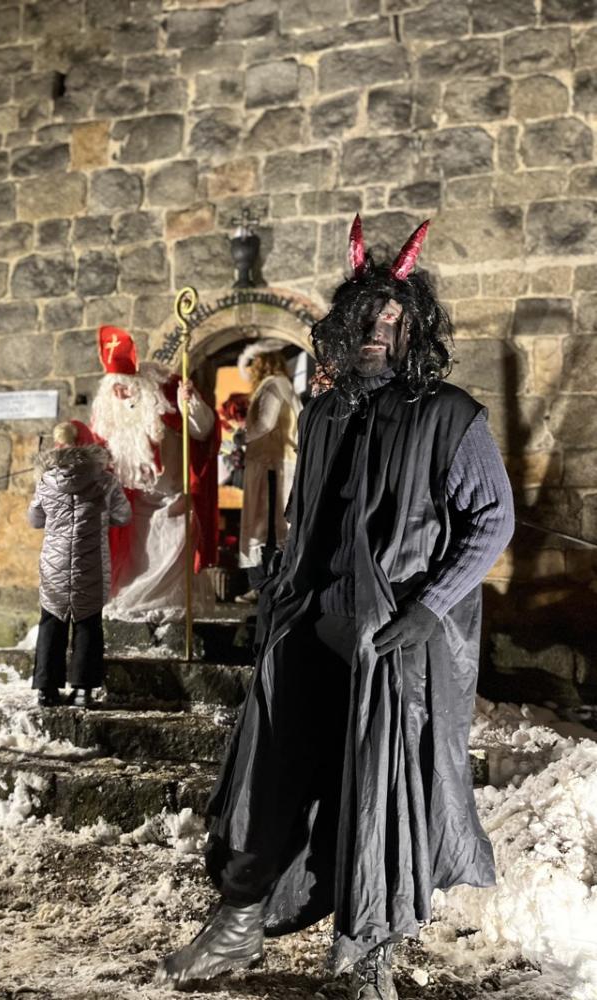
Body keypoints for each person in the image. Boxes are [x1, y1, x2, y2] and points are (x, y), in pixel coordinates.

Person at [157, 215, 515, 997]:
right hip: (309, 626)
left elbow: (493, 519)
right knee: (269, 777)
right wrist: (281, 598)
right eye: (366, 320)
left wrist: (429, 608)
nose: (379, 334)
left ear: (414, 328)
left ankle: (369, 953)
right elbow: (309, 516)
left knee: (378, 794)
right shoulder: (325, 411)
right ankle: (238, 923)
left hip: (392, 638)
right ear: (344, 328)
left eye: (393, 320)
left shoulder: (451, 415)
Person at [89, 325, 220, 623]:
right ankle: (135, 610)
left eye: (124, 386)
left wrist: (190, 404)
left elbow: (203, 431)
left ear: (138, 384)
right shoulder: (109, 414)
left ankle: (168, 613)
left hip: (173, 500)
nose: (119, 393)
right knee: (136, 564)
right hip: (134, 505)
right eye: (114, 389)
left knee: (171, 558)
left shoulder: (167, 396)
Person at [28, 421, 131, 708]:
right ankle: (83, 690)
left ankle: (46, 690)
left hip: (54, 562)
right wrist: (101, 517)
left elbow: (35, 519)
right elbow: (124, 516)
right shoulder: (105, 481)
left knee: (52, 620)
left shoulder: (46, 481)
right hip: (92, 561)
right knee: (88, 622)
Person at [236, 340, 302, 603]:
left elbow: (265, 423)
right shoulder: (284, 385)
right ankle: (270, 585)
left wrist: (241, 437)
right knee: (273, 525)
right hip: (277, 462)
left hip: (271, 465)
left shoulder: (273, 385)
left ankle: (267, 585)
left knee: (267, 524)